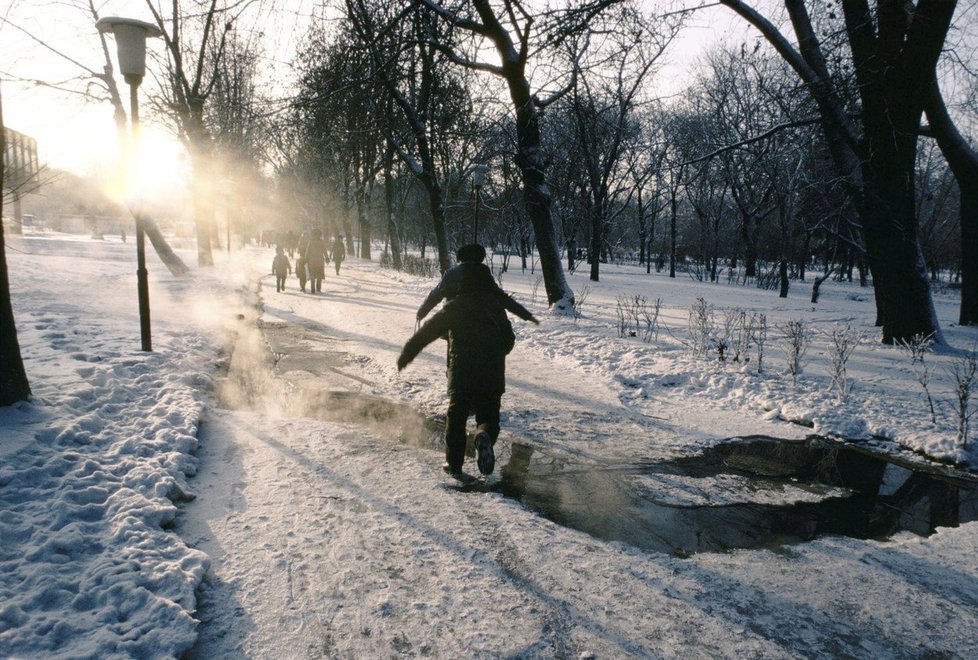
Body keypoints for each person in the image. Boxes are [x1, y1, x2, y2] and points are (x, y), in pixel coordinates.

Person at [398, 265, 522, 477]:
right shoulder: (495, 306)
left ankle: (453, 464)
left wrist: (408, 353)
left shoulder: (454, 306)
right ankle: (483, 433)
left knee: (456, 417)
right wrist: (495, 354)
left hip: (462, 372)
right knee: (489, 416)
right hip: (491, 373)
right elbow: (509, 341)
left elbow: (429, 332)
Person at [416, 244, 539, 326]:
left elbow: (436, 295)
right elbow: (502, 297)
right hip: (482, 321)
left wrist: (422, 313)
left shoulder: (452, 274)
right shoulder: (484, 273)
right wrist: (525, 315)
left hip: (456, 321)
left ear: (461, 257)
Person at [304, 229, 329, 293]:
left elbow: (308, 251)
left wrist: (306, 258)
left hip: (312, 261)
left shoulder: (311, 242)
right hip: (320, 261)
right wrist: (327, 258)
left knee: (312, 275)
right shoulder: (321, 242)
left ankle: (313, 288)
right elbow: (325, 251)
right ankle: (318, 288)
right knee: (319, 275)